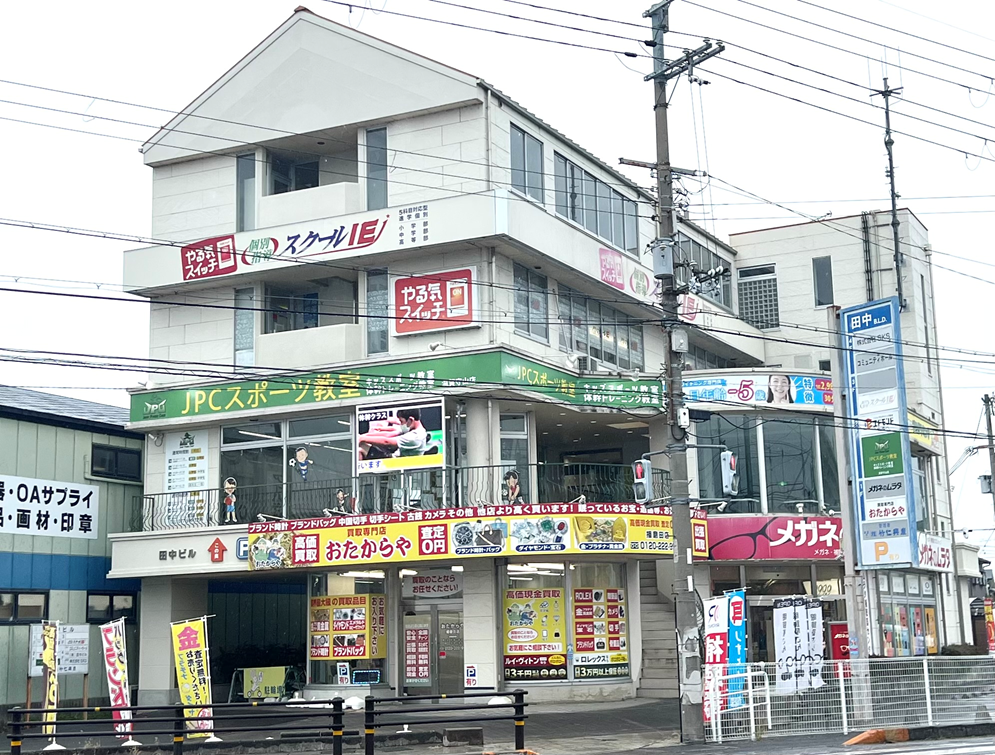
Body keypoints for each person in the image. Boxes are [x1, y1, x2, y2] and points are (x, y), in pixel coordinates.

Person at [358, 408, 429, 458]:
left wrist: (362, 438)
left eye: (401, 421)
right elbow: (388, 434)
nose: (400, 424)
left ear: (410, 420)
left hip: (396, 463)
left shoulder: (415, 436)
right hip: (394, 455)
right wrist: (364, 436)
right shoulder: (411, 427)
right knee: (363, 444)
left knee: (360, 449)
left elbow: (387, 442)